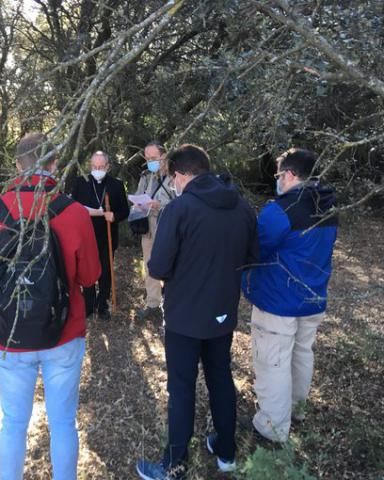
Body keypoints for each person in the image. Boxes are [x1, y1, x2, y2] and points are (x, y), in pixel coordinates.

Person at [0, 132, 101, 480]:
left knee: (13, 423)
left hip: (12, 335)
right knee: (62, 424)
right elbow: (89, 276)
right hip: (64, 332)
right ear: (54, 164)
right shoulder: (72, 212)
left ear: (17, 165)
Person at [136, 145, 257, 479]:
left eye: (174, 178)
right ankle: (226, 451)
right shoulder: (242, 207)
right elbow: (252, 255)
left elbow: (158, 266)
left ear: (180, 175)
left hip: (184, 317)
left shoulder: (180, 210)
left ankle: (174, 464)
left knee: (182, 388)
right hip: (223, 312)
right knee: (220, 378)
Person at [242, 148, 337, 443]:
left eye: (279, 174)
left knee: (273, 362)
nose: (278, 180)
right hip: (313, 296)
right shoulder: (328, 205)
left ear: (291, 174)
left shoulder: (280, 210)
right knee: (302, 353)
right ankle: (297, 409)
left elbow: (256, 249)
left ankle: (272, 427)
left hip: (278, 301)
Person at [70, 151, 129, 319]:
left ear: (108, 167)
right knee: (87, 270)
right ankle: (88, 304)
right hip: (86, 235)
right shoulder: (81, 183)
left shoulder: (116, 185)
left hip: (108, 235)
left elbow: (124, 210)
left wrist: (115, 216)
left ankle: (102, 305)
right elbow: (73, 207)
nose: (97, 169)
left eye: (101, 167)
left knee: (105, 271)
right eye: (94, 166)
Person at [134, 141, 175, 320]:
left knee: (171, 264)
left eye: (154, 158)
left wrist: (160, 205)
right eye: (148, 158)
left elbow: (181, 202)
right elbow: (138, 196)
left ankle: (173, 303)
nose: (150, 161)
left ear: (163, 156)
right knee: (149, 264)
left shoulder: (173, 175)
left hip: (168, 225)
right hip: (148, 226)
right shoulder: (145, 175)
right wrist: (138, 204)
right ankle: (152, 303)